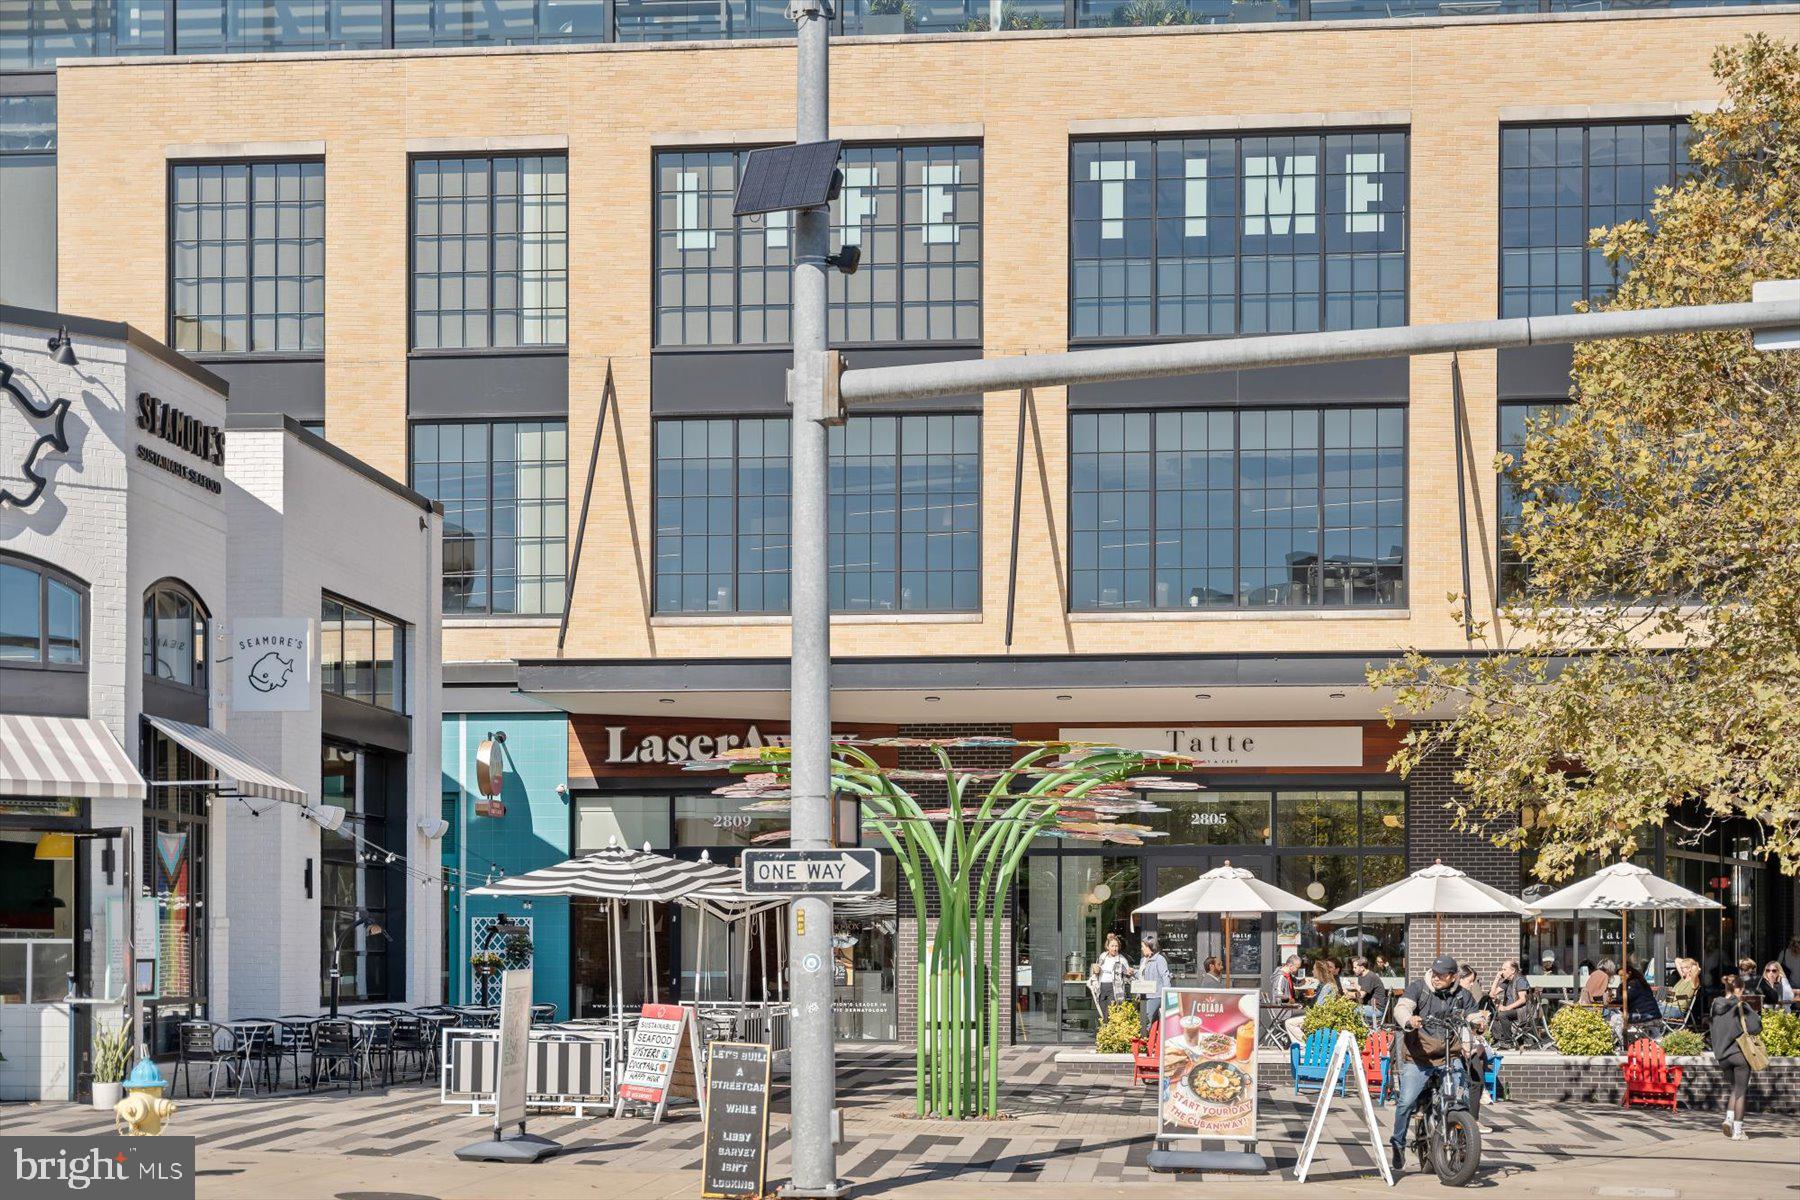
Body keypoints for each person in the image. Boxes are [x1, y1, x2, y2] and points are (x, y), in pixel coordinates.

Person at [1387, 956, 1479, 1175]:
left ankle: (1464, 1141)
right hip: (1420, 1058)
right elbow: (1402, 1007)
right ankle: (1397, 1142)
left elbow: (1473, 1015)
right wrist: (1409, 1020)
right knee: (1406, 1102)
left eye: (1442, 975)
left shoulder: (1462, 995)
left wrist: (1479, 1021)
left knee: (1461, 1097)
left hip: (1450, 1055)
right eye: (1434, 973)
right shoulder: (1419, 988)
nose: (1436, 978)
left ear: (1453, 977)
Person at [1709, 973, 1762, 1141]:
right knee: (1741, 1092)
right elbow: (1756, 1027)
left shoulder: (1714, 1006)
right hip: (1739, 1055)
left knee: (1735, 1088)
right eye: (1742, 990)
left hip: (1722, 1056)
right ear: (1737, 989)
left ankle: (1729, 1119)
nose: (1742, 993)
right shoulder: (1741, 1006)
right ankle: (1738, 1132)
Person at [1284, 959, 1341, 1045]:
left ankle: (1305, 1045)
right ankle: (1306, 1044)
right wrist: (1309, 1000)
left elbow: (1319, 1006)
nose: (1312, 971)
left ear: (1319, 971)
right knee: (1293, 1019)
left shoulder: (1327, 986)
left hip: (1320, 1017)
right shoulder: (1324, 984)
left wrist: (1308, 1006)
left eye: (1314, 969)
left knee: (1289, 1023)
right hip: (1320, 1015)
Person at [1488, 960, 1531, 1047]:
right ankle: (1499, 1039)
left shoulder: (1520, 980)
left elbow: (1523, 999)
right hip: (1513, 1011)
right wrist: (1497, 978)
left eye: (1504, 969)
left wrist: (1507, 1008)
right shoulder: (1508, 981)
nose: (1501, 972)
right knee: (1492, 1014)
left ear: (1512, 970)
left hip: (1522, 1011)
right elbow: (1492, 994)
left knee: (1502, 1015)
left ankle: (1508, 1042)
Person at [1137, 933, 1171, 1031]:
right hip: (1144, 996)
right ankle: (1151, 1043)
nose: (1141, 949)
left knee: (1147, 1021)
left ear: (1149, 946)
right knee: (1148, 1022)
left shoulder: (1159, 959)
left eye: (1143, 946)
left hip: (1155, 996)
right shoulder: (1143, 960)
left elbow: (1165, 977)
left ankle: (1145, 1043)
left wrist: (1166, 994)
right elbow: (1142, 975)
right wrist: (1132, 972)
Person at [1349, 956, 1389, 1031]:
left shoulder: (1370, 976)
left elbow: (1361, 995)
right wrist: (1355, 985)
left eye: (1355, 967)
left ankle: (1356, 1033)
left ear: (1362, 967)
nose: (1353, 969)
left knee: (1351, 1010)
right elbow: (1364, 990)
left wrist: (1348, 994)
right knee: (1352, 1007)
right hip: (1369, 1006)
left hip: (1376, 1009)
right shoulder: (1362, 976)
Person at [1664, 957, 1701, 1022]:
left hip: (1677, 1010)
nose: (1681, 970)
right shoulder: (1683, 978)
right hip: (1667, 1007)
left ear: (1689, 968)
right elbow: (1677, 960)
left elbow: (1697, 970)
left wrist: (1694, 966)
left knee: (1650, 1012)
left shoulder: (1694, 981)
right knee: (1647, 1008)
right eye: (1680, 968)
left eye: (1682, 968)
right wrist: (1666, 1001)